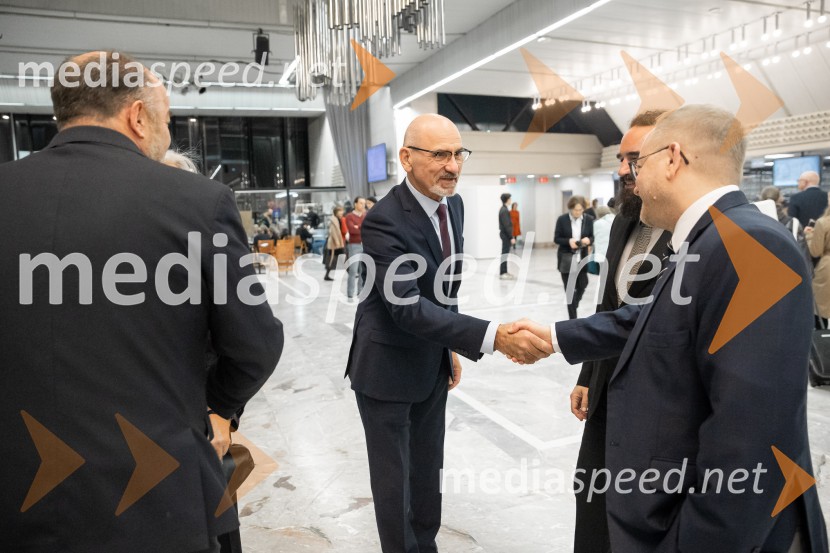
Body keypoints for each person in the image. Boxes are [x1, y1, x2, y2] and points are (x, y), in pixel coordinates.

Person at [0, 51, 284, 553]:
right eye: (167, 121)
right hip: (153, 498)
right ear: (137, 115)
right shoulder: (197, 203)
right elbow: (255, 344)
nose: (166, 136)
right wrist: (210, 403)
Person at [514, 105, 828, 552]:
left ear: (672, 158)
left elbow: (750, 444)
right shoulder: (706, 240)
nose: (631, 177)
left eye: (639, 163)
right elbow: (650, 320)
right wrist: (556, 335)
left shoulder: (750, 247)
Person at [346, 114, 552, 553]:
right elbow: (407, 308)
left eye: (459, 154)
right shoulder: (383, 221)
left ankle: (426, 545)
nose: (453, 166)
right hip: (385, 370)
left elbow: (444, 289)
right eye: (440, 154)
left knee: (428, 473)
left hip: (431, 363)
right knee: (394, 483)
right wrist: (492, 336)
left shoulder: (452, 205)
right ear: (406, 158)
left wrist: (450, 347)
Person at [569, 110, 672, 553]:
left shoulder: (694, 234)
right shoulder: (624, 222)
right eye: (621, 158)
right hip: (608, 394)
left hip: (657, 411)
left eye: (633, 158)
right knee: (592, 499)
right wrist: (587, 376)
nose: (621, 170)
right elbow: (607, 307)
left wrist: (555, 338)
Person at [554, 195, 594, 319]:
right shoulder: (562, 219)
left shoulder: (588, 219)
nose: (578, 212)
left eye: (580, 210)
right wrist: (568, 241)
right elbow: (556, 238)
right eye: (575, 210)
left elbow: (592, 236)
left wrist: (589, 240)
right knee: (570, 291)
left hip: (582, 258)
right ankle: (573, 319)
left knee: (583, 284)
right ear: (570, 208)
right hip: (566, 258)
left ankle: (573, 305)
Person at [806, 198, 830, 327]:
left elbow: (815, 251)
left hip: (827, 270)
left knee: (821, 312)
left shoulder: (823, 223)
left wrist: (810, 236)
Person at [344, 196, 366, 300]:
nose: (363, 205)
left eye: (364, 203)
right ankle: (350, 293)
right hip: (354, 245)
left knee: (363, 270)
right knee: (353, 270)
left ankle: (360, 291)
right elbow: (352, 230)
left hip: (365, 245)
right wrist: (360, 227)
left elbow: (367, 228)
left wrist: (359, 226)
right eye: (361, 203)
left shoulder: (365, 215)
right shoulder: (349, 216)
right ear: (355, 204)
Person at [324, 206, 345, 281]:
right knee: (333, 258)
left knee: (338, 257)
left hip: (337, 242)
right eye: (340, 212)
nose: (341, 213)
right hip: (334, 243)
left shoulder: (338, 219)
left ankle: (327, 275)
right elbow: (333, 232)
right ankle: (326, 275)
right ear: (336, 212)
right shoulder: (334, 220)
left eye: (342, 211)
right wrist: (337, 242)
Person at [498, 193, 515, 279]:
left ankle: (504, 271)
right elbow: (507, 225)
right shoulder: (504, 210)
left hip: (505, 234)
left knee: (505, 254)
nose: (510, 200)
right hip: (505, 235)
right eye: (510, 199)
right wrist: (511, 237)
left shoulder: (504, 209)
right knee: (504, 254)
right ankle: (503, 272)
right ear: (507, 199)